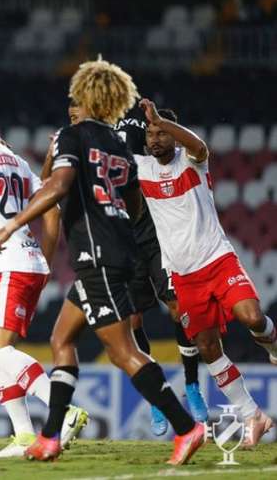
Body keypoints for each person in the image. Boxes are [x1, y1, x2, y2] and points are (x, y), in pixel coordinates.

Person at [0, 59, 205, 465]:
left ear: (89, 96)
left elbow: (61, 184)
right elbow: (135, 200)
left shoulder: (74, 136)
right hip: (116, 249)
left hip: (98, 254)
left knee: (122, 353)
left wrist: (12, 225)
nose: (71, 104)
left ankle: (186, 427)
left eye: (76, 96)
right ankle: (50, 436)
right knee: (61, 339)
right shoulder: (118, 143)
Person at [0, 95, 88, 458]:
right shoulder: (14, 160)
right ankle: (24, 435)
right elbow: (50, 209)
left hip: (7, 264)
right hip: (29, 263)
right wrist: (45, 255)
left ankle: (63, 412)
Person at [135, 99, 277, 447]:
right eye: (150, 134)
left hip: (217, 260)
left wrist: (164, 122)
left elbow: (199, 145)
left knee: (252, 316)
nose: (155, 140)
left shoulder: (192, 162)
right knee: (207, 347)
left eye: (161, 134)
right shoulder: (141, 169)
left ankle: (273, 346)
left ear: (173, 137)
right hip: (184, 275)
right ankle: (252, 415)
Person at [75, 102, 208, 436]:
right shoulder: (88, 130)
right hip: (122, 238)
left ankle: (192, 384)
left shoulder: (139, 116)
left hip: (156, 234)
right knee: (133, 320)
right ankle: (156, 398)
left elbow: (163, 139)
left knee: (179, 309)